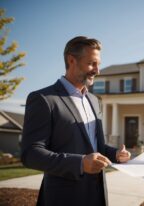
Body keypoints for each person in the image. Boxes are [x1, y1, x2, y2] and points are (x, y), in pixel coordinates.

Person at [21, 36, 131, 206]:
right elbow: (31, 154)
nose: (97, 70)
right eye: (92, 63)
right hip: (63, 198)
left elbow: (95, 146)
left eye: (98, 64)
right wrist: (79, 163)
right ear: (71, 60)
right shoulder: (43, 99)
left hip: (97, 195)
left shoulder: (94, 100)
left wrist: (115, 154)